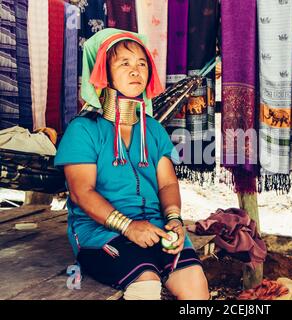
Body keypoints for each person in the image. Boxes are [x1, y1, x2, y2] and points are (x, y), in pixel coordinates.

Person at [54, 28, 209, 300]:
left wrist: (173, 219)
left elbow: (167, 182)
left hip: (157, 229)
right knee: (146, 285)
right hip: (102, 234)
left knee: (197, 292)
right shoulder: (83, 130)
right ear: (103, 72)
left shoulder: (154, 130)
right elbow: (81, 192)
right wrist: (128, 227)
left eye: (141, 63)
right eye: (124, 63)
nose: (136, 70)